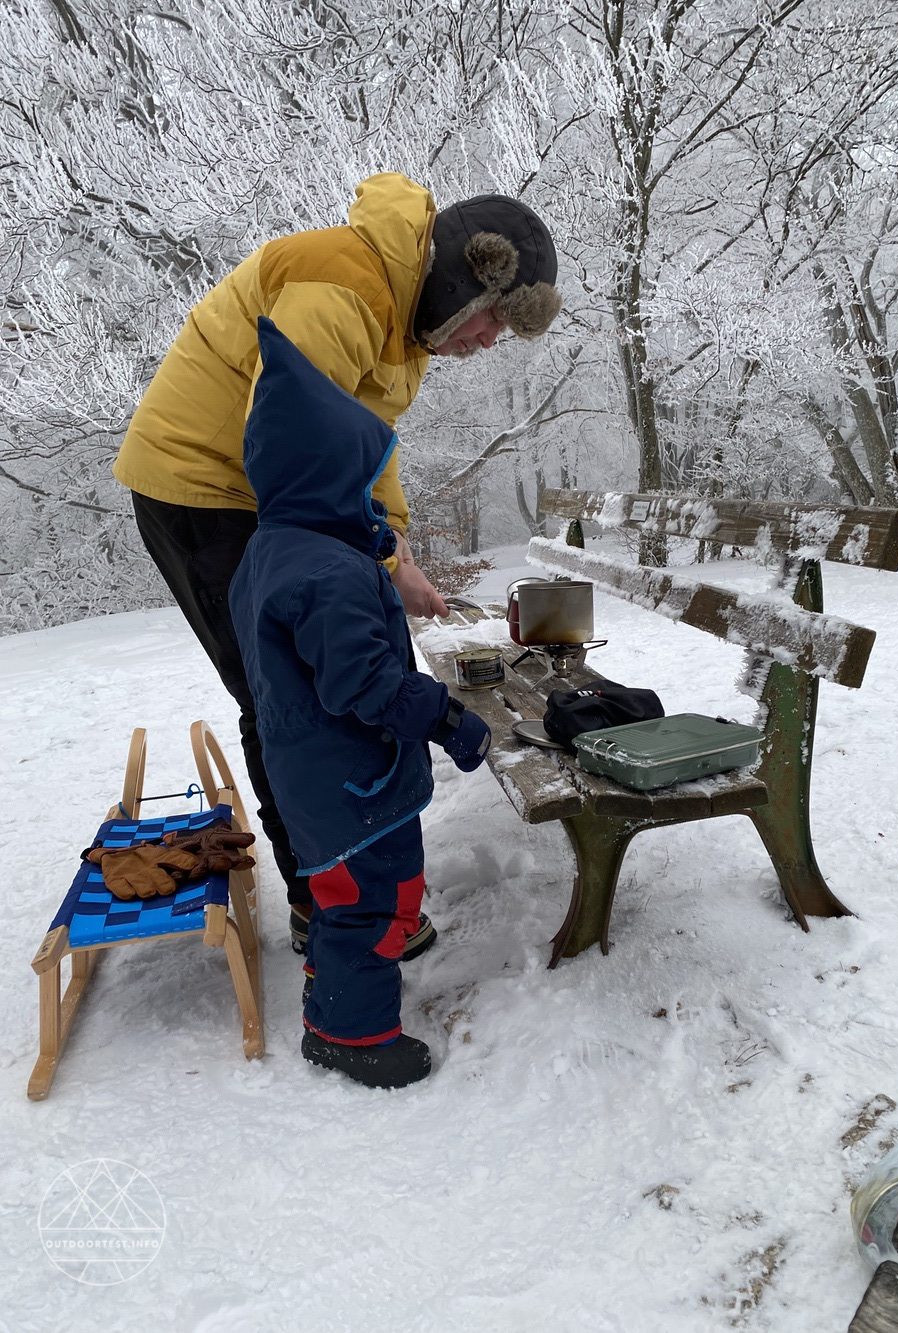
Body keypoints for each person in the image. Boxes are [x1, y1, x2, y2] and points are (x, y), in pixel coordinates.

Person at [112, 171, 561, 956]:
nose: (489, 342)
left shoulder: (402, 324)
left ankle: (349, 880)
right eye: (494, 319)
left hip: (261, 491)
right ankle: (324, 901)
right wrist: (377, 553)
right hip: (203, 488)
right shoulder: (342, 287)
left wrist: (397, 552)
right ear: (463, 284)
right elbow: (299, 447)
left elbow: (363, 443)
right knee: (282, 693)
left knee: (317, 675)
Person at [229, 316, 492, 1087]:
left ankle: (337, 982)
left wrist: (373, 550)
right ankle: (349, 1033)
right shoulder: (329, 574)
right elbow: (363, 684)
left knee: (349, 893)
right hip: (355, 784)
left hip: (315, 774)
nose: (371, 495)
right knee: (368, 901)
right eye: (362, 478)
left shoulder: (271, 550)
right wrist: (444, 717)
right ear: (329, 475)